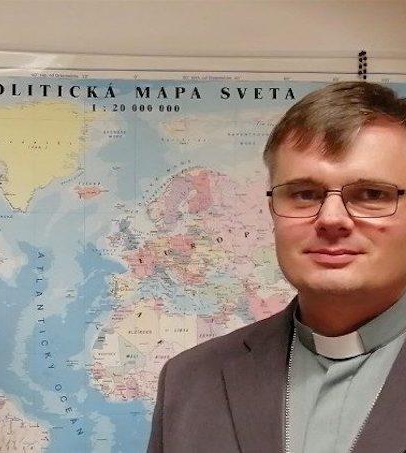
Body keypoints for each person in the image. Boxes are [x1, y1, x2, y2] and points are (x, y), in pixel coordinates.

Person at [148, 81, 406, 453]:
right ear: (273, 210)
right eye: (304, 194)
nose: (331, 219)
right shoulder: (190, 381)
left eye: (372, 194)